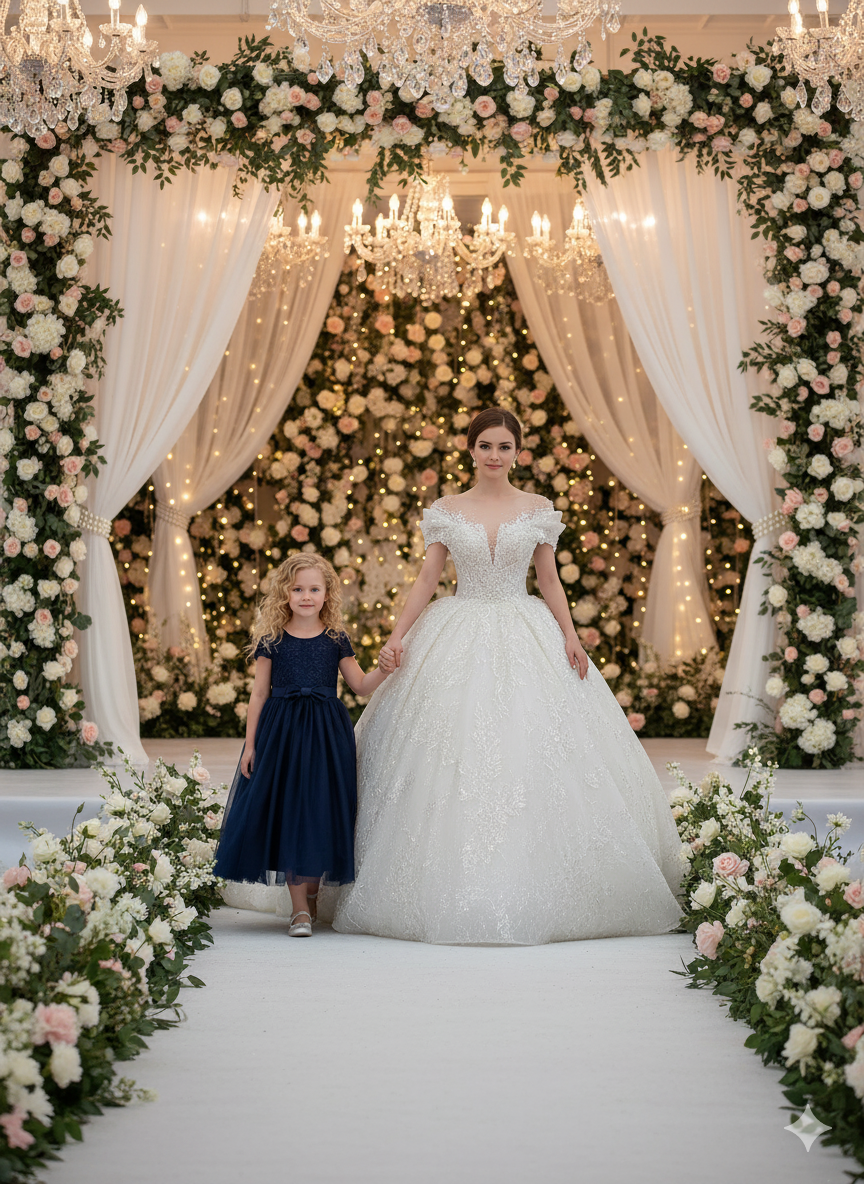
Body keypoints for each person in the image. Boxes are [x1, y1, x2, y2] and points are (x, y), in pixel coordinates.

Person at [333, 407, 683, 945]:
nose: (495, 455)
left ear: (518, 452)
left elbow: (549, 577)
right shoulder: (446, 510)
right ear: (470, 450)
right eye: (485, 446)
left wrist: (569, 634)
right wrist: (399, 634)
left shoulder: (538, 509)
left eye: (504, 446)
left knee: (537, 741)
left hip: (526, 627)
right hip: (457, 624)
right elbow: (428, 577)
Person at [214, 553, 391, 937]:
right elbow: (259, 694)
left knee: (319, 811)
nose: (306, 596)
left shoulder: (335, 639)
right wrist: (250, 745)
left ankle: (309, 896)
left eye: (314, 589)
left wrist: (385, 670)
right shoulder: (272, 640)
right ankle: (299, 911)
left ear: (327, 594)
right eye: (298, 589)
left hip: (327, 734)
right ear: (285, 594)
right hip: (282, 733)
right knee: (291, 810)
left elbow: (359, 685)